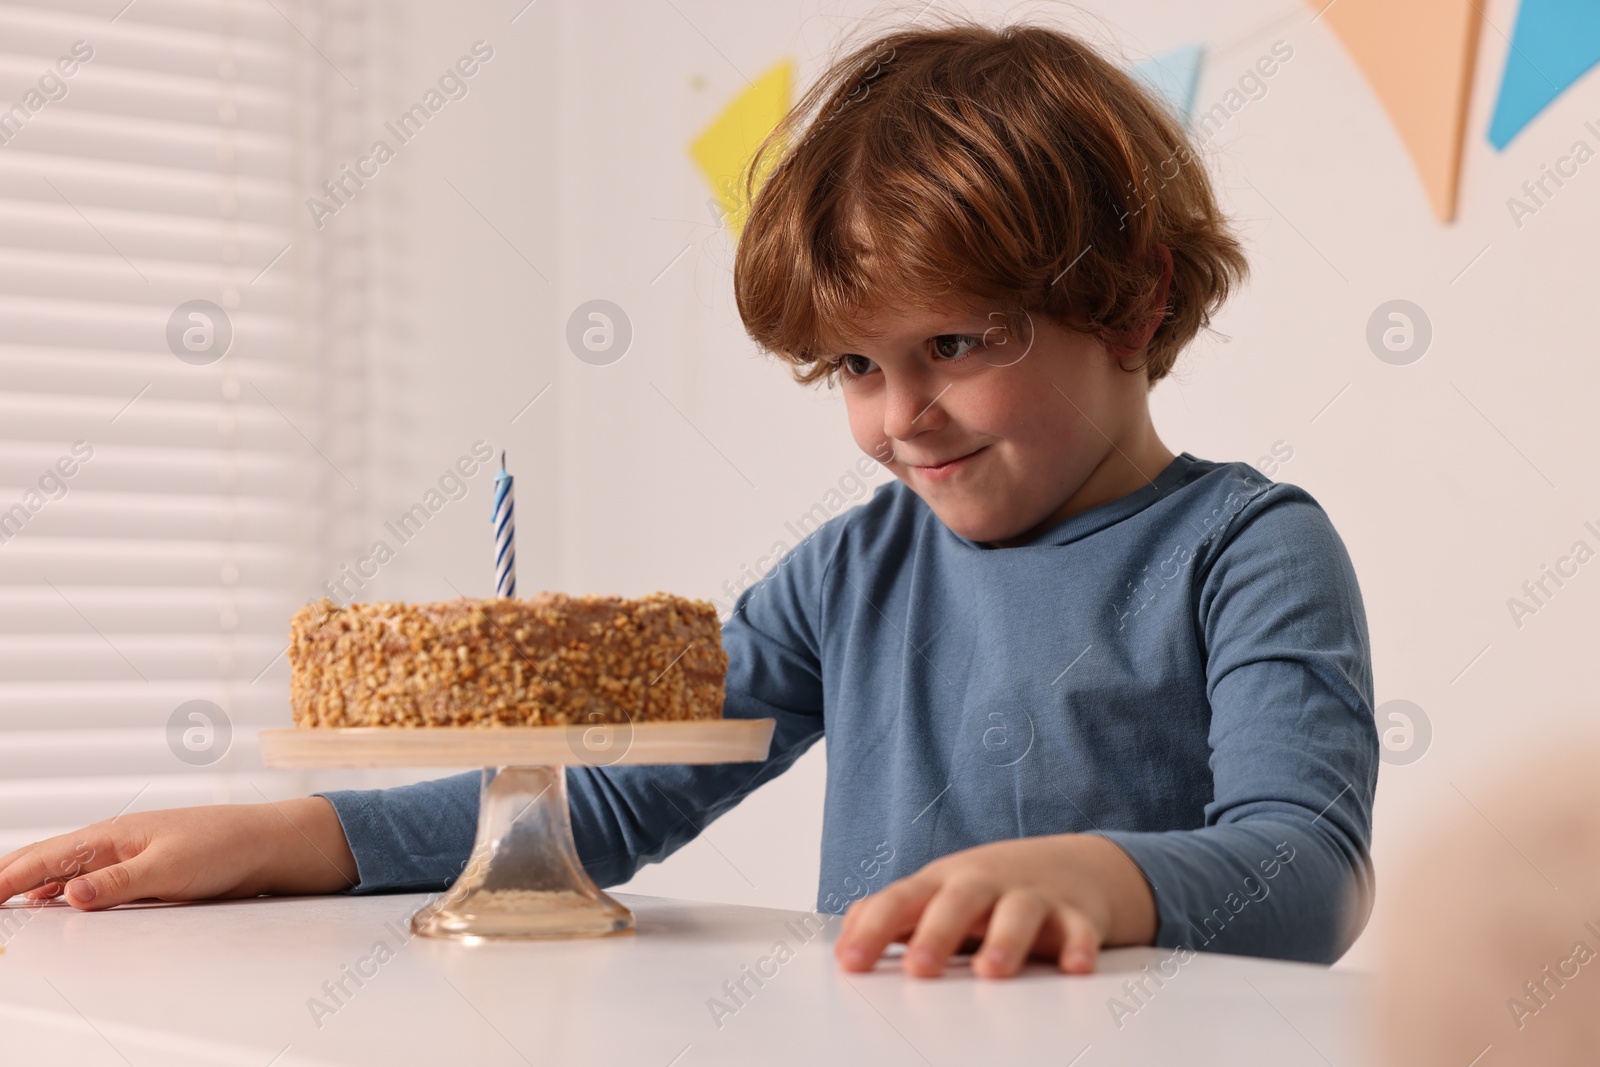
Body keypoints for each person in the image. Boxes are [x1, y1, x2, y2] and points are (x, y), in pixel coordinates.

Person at [0, 19, 1377, 980]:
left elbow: (1307, 874)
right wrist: (288, 837)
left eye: (956, 345)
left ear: (1132, 299)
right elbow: (599, 803)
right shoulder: (851, 574)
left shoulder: (1247, 551)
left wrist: (1103, 881)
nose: (900, 417)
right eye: (855, 366)